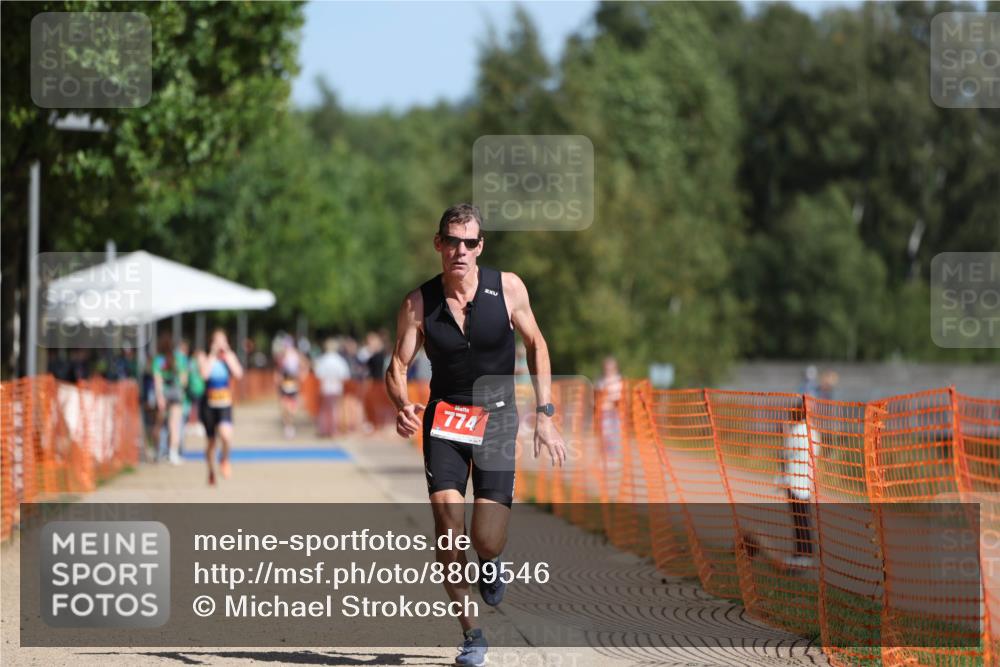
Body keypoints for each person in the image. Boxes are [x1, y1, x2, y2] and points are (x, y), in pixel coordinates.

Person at [385, 203, 567, 667]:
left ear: (480, 246)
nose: (460, 251)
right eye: (452, 241)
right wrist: (402, 404)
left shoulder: (508, 288)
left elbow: (536, 344)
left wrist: (545, 413)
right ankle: (473, 634)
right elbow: (398, 367)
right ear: (439, 244)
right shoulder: (417, 303)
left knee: (486, 539)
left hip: (499, 417)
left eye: (469, 242)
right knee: (448, 528)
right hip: (444, 422)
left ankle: (490, 561)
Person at [197, 328, 243, 486]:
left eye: (223, 340)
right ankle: (210, 470)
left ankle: (224, 459)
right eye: (217, 341)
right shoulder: (205, 357)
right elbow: (204, 375)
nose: (220, 344)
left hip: (224, 403)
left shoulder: (229, 357)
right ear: (211, 342)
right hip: (208, 404)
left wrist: (228, 356)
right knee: (211, 443)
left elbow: (238, 374)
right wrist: (212, 355)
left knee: (226, 436)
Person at [780, 403, 819, 569]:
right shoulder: (812, 431)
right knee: (803, 519)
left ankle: (803, 554)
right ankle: (804, 553)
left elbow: (785, 454)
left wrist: (784, 433)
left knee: (799, 520)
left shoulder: (797, 432)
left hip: (795, 482)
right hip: (806, 480)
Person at [152, 333, 187, 465]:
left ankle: (157, 452)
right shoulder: (180, 358)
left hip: (164, 393)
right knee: (174, 425)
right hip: (176, 392)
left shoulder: (158, 360)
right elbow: (184, 380)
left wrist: (160, 397)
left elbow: (158, 380)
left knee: (159, 424)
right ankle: (173, 454)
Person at [314, 338, 351, 437]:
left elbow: (318, 374)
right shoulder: (340, 360)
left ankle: (324, 429)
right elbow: (345, 375)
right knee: (335, 410)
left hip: (326, 388)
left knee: (325, 410)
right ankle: (334, 429)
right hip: (336, 388)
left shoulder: (323, 359)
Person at [275, 335, 304, 438]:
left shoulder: (296, 355)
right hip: (284, 385)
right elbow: (278, 371)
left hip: (293, 385)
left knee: (291, 408)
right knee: (284, 406)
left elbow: (302, 366)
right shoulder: (281, 357)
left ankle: (290, 424)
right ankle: (287, 426)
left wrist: (300, 376)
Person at [596, 355, 624, 458]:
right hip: (605, 411)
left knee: (615, 433)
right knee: (606, 433)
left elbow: (619, 398)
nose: (608, 369)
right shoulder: (601, 381)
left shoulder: (619, 380)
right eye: (607, 367)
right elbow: (598, 397)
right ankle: (606, 454)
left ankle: (613, 455)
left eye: (610, 367)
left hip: (615, 411)